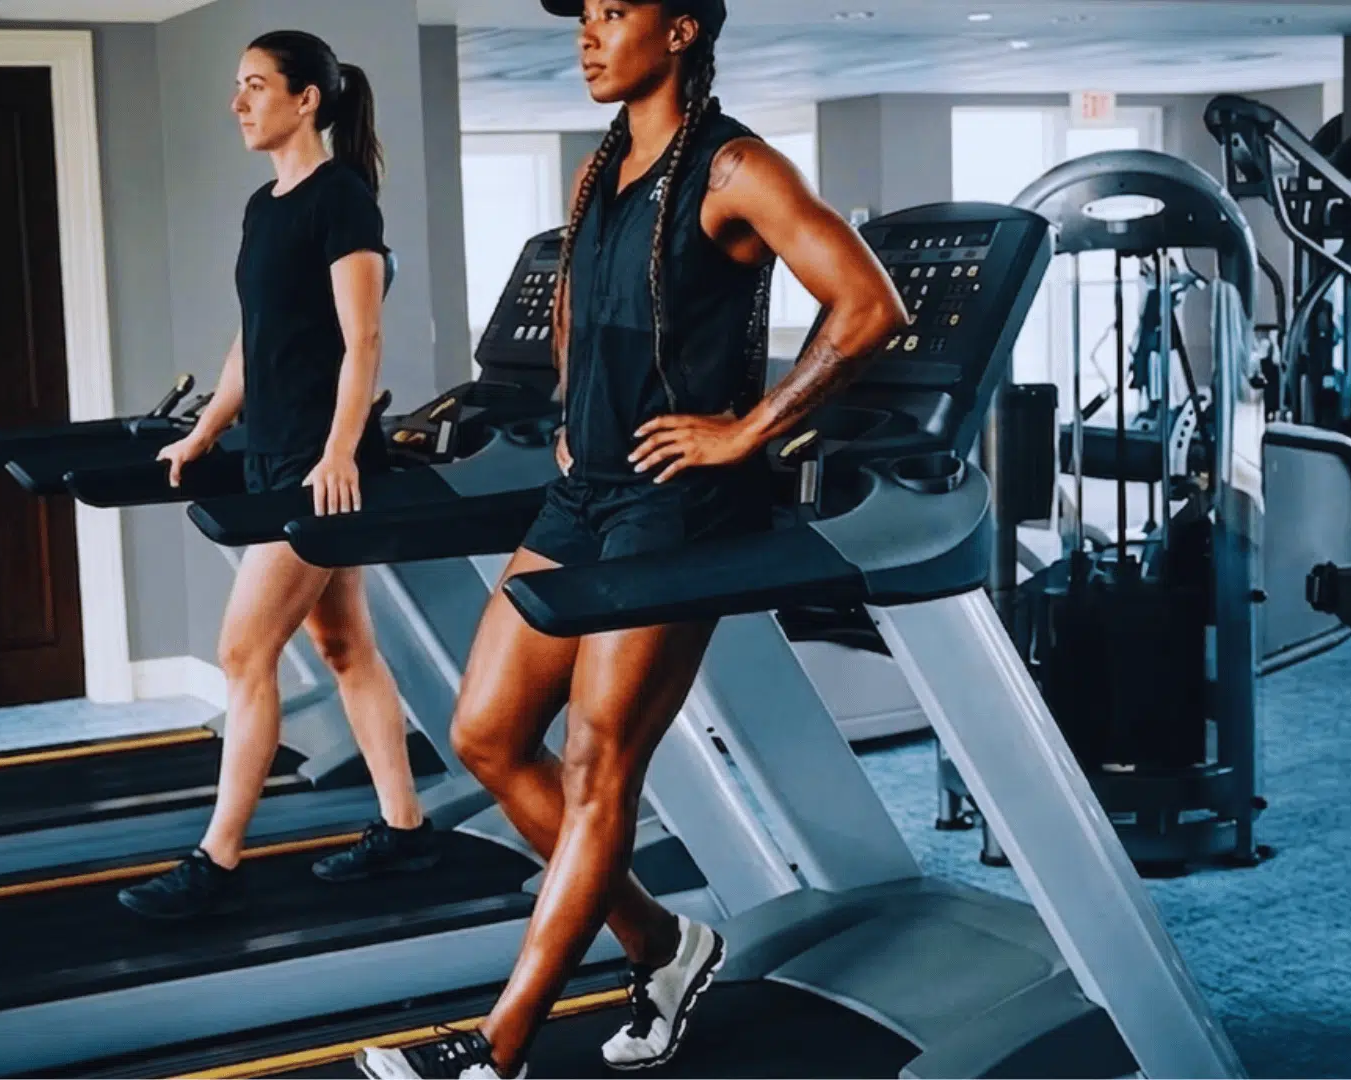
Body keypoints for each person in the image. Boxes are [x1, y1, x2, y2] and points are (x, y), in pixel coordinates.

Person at [352, 0, 908, 1076]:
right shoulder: (599, 167)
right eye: (585, 15)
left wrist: (745, 429)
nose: (589, 33)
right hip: (590, 492)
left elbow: (868, 306)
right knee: (487, 735)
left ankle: (496, 1049)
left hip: (677, 503)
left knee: (601, 761)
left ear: (684, 28)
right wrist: (571, 417)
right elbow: (573, 300)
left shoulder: (736, 168)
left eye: (615, 11)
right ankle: (662, 943)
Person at [118, 30, 439, 922]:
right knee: (345, 648)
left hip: (316, 467)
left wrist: (339, 451)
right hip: (275, 451)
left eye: (255, 85)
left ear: (308, 99)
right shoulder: (266, 207)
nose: (238, 101)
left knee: (241, 652)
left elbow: (362, 337)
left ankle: (217, 860)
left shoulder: (341, 200)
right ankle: (405, 829)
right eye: (237, 86)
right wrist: (204, 432)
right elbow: (252, 342)